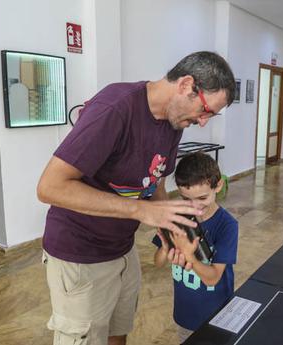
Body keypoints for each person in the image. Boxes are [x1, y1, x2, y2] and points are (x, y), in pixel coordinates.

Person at [36, 51, 235, 345]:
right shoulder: (115, 108)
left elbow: (155, 183)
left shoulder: (174, 122)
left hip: (122, 250)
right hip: (80, 255)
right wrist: (140, 211)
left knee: (119, 332)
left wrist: (171, 231)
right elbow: (49, 187)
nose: (203, 122)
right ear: (186, 85)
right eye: (205, 110)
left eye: (211, 115)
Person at [153, 152, 239, 343]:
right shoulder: (177, 217)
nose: (194, 206)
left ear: (218, 186)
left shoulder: (227, 225)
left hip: (216, 316)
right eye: (186, 199)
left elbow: (213, 278)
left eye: (202, 198)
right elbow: (157, 263)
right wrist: (166, 247)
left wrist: (189, 256)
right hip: (185, 315)